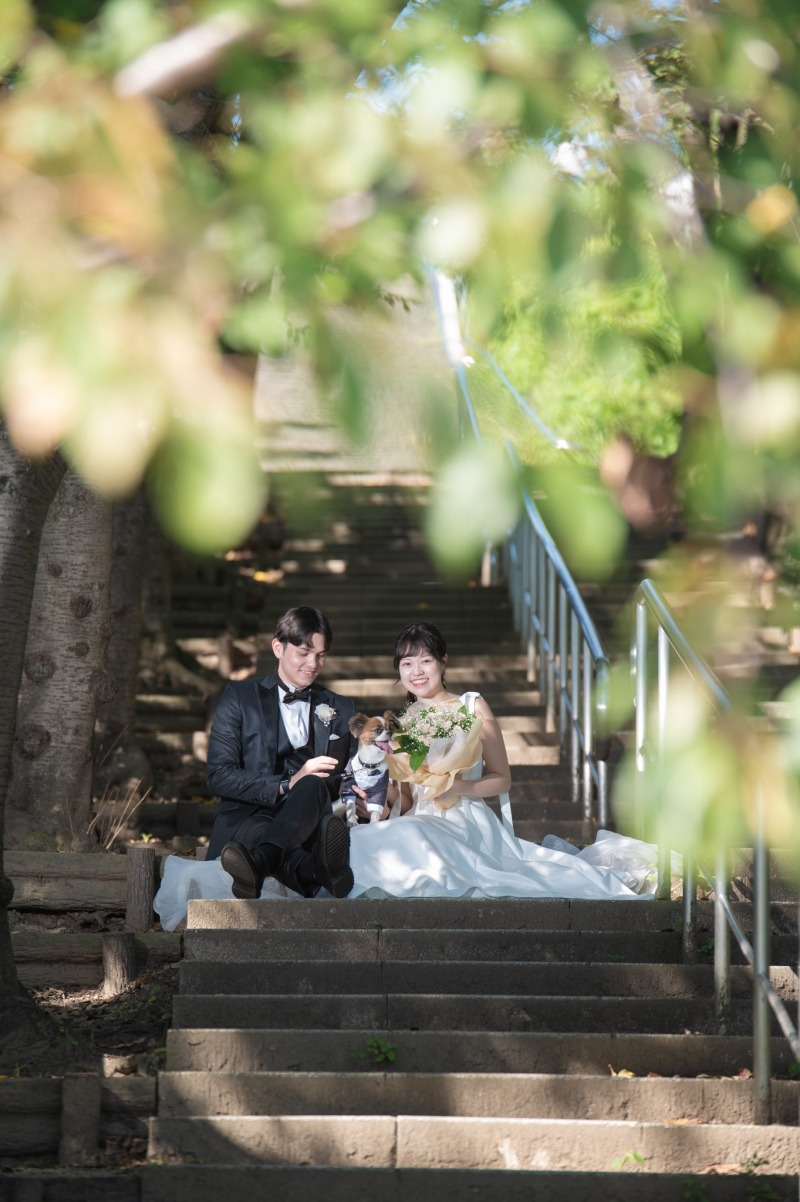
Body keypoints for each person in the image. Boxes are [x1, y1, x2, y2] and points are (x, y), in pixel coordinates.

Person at [346, 622, 651, 901]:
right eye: (407, 663)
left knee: (414, 837)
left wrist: (459, 787)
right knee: (366, 836)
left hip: (465, 818)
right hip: (419, 817)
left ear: (443, 661)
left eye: (425, 660)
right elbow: (409, 799)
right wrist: (377, 792)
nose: (417, 671)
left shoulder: (472, 706)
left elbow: (501, 779)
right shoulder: (398, 724)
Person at [205, 605, 356, 900]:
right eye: (303, 652)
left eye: (321, 655)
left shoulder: (341, 707)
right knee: (264, 828)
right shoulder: (239, 698)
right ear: (278, 647)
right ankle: (314, 871)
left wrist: (359, 793)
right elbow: (218, 776)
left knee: (313, 783)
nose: (313, 664)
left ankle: (259, 864)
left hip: (310, 819)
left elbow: (351, 775)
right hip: (248, 815)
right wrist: (286, 785)